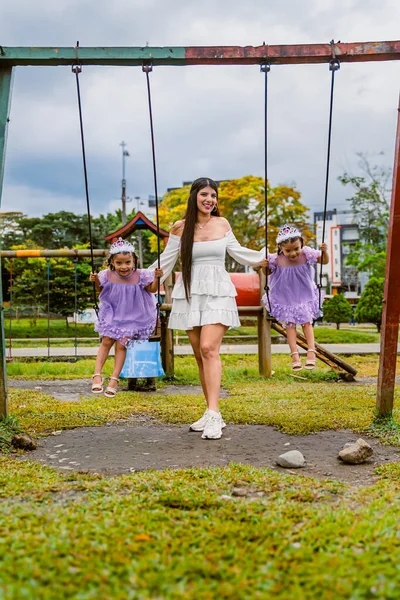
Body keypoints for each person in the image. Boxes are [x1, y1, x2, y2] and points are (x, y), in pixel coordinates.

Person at [149, 177, 267, 440]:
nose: (209, 200)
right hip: (190, 293)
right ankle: (210, 410)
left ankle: (214, 414)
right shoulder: (180, 228)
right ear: (194, 197)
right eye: (204, 194)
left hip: (217, 291)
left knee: (208, 348)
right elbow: (165, 262)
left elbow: (238, 253)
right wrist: (141, 277)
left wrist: (265, 258)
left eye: (213, 196)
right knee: (200, 356)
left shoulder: (222, 224)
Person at [89, 237, 163, 398]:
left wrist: (157, 278)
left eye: (127, 262)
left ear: (133, 261)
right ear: (112, 263)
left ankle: (114, 379)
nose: (124, 267)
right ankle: (97, 374)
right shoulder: (107, 275)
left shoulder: (141, 275)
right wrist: (95, 282)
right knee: (106, 341)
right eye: (119, 263)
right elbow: (100, 292)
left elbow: (152, 290)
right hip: (113, 313)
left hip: (132, 316)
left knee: (121, 346)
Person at [262, 224, 329, 371]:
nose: (293, 253)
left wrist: (325, 252)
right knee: (290, 325)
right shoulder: (276, 259)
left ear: (302, 245)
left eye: (296, 249)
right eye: (288, 250)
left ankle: (312, 352)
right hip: (285, 296)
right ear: (280, 248)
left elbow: (324, 261)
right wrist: (264, 266)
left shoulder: (306, 254)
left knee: (306, 323)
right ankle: (294, 354)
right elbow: (267, 273)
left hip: (303, 295)